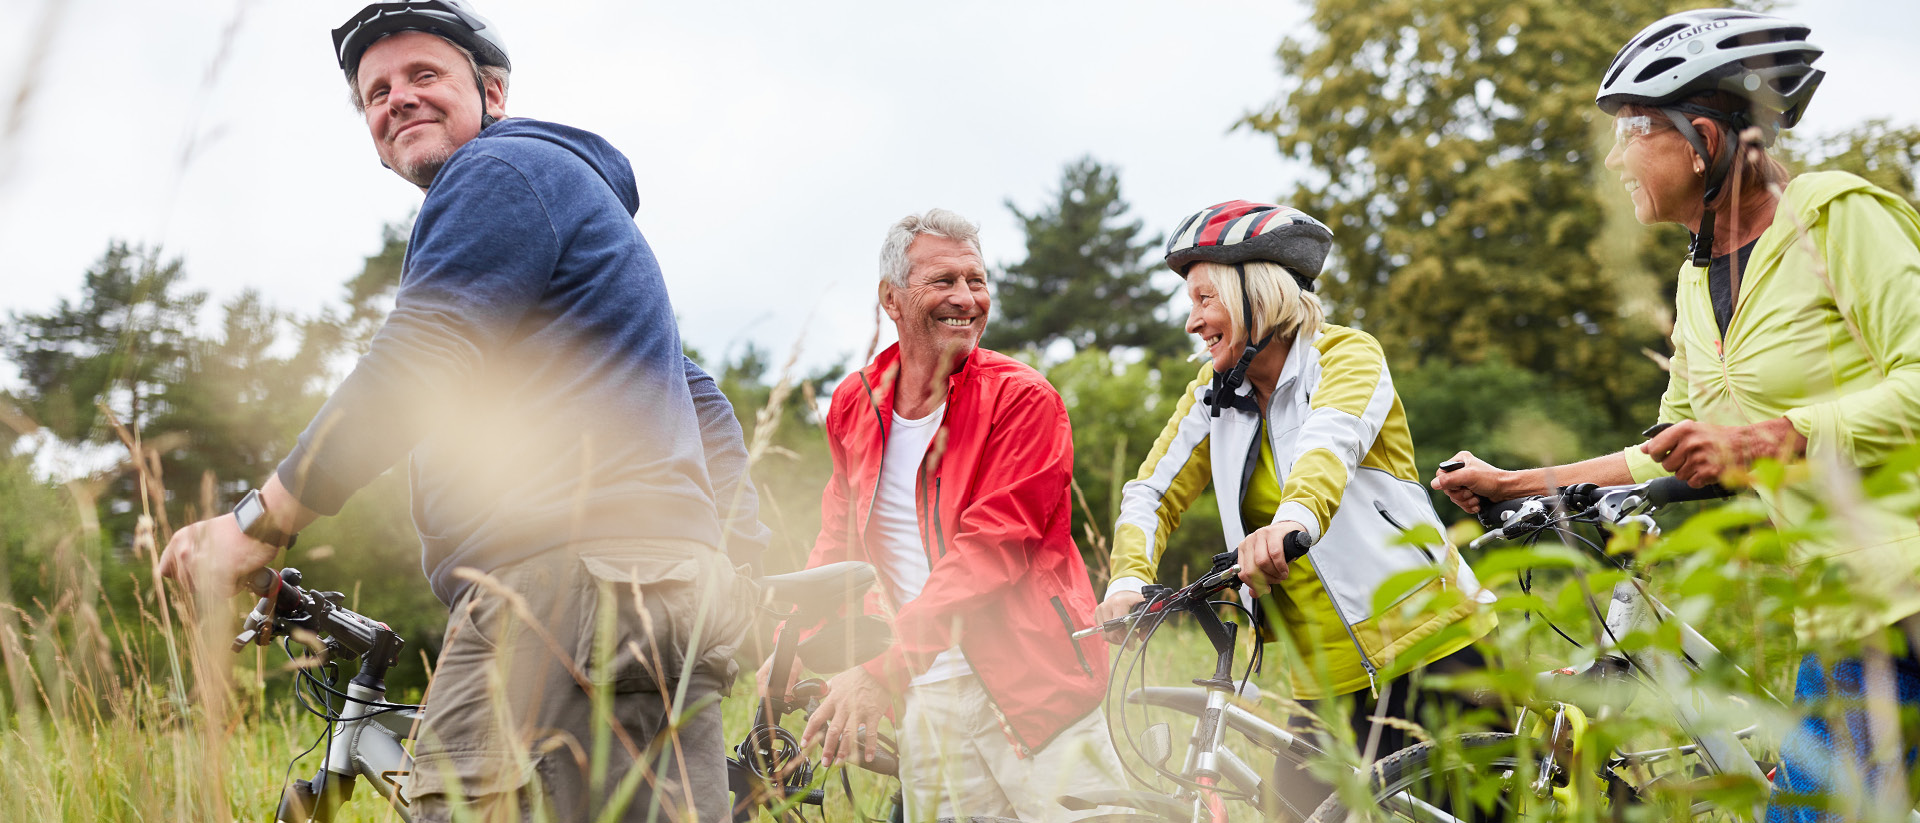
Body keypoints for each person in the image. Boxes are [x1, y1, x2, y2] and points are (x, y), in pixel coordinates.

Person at [155, 3, 768, 821]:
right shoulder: (561, 200)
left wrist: (256, 522)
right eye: (376, 92)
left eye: (422, 76)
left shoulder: (500, 174)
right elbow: (702, 402)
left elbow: (419, 361)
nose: (396, 99)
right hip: (652, 597)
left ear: (493, 93)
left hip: (559, 586)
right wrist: (735, 568)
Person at [1431, 9, 1920, 821]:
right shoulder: (1699, 280)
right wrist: (1519, 482)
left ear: (1701, 136)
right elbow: (1671, 448)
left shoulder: (1835, 216)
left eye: (1631, 130)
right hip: (1846, 609)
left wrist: (1775, 435)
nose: (1616, 156)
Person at [1096, 201, 1498, 810]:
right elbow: (1150, 493)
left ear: (1257, 295)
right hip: (1325, 681)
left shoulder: (1346, 356)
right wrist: (1128, 581)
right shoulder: (1213, 396)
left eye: (1205, 299)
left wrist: (1291, 523)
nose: (1191, 322)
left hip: (1436, 648)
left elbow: (1327, 446)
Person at [765, 209, 1127, 823]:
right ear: (892, 298)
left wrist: (882, 669)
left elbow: (990, 553)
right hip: (926, 700)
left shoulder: (1022, 399)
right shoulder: (856, 402)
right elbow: (840, 541)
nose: (966, 298)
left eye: (976, 281)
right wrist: (790, 646)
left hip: (1036, 692)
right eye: (943, 281)